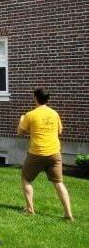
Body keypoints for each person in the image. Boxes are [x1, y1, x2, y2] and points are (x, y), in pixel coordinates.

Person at [17, 87, 74, 220]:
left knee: (26, 179)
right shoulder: (54, 113)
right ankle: (68, 214)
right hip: (54, 153)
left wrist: (21, 120)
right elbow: (60, 131)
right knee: (59, 183)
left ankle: (30, 210)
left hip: (37, 153)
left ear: (35, 98)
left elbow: (20, 132)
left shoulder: (30, 115)